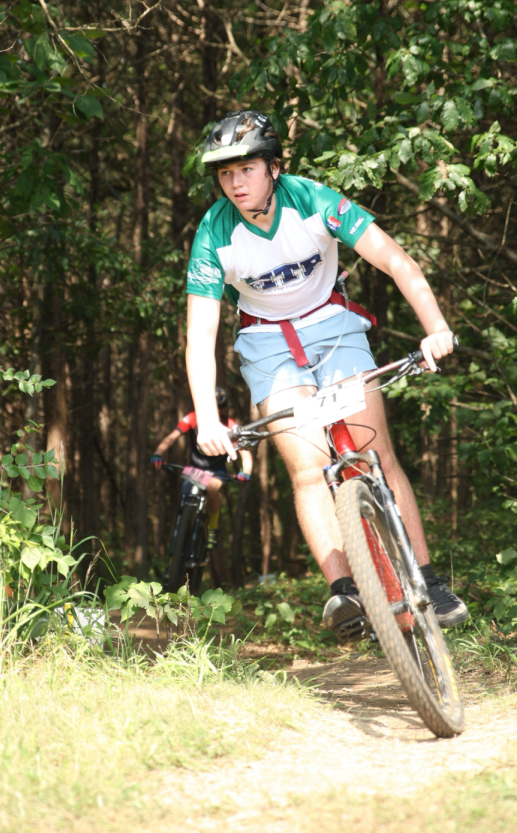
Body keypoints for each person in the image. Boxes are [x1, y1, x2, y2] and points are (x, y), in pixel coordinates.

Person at [184, 109, 468, 643]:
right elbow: (201, 334)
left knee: (373, 450)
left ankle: (430, 580)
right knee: (309, 467)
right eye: (224, 174)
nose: (235, 182)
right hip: (267, 345)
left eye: (245, 169)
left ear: (272, 167)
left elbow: (396, 261)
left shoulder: (314, 199)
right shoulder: (214, 233)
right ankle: (345, 591)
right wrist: (205, 417)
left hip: (334, 328)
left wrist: (435, 329)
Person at [150, 386, 253, 548]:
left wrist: (245, 472)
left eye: (219, 408)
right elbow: (171, 437)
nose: (216, 411)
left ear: (223, 409)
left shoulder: (229, 423)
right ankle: (180, 538)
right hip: (195, 469)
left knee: (212, 488)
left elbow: (245, 453)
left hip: (217, 472)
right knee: (184, 497)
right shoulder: (192, 418)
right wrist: (158, 454)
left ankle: (212, 526)